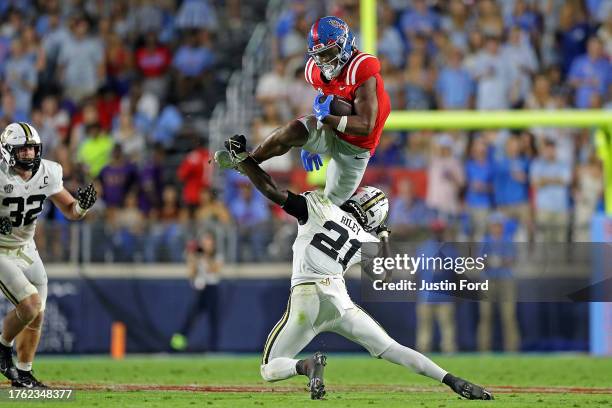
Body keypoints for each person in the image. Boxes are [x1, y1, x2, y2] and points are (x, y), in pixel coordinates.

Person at [218, 134, 493, 401]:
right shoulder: (367, 239)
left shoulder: (319, 205)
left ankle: (306, 366)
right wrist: (384, 235)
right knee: (392, 348)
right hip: (340, 301)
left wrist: (246, 160)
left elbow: (271, 190)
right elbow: (384, 275)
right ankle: (452, 380)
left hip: (307, 295)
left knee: (269, 368)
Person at [214, 16, 391, 206]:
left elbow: (366, 126)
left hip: (356, 146)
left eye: (329, 52)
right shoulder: (313, 71)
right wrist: (309, 140)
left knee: (330, 207)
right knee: (292, 131)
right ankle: (248, 160)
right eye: (320, 55)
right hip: (331, 128)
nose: (325, 61)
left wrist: (326, 119)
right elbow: (326, 106)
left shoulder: (361, 68)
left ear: (345, 44)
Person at [0, 122, 97, 388]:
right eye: (23, 149)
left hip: (27, 247)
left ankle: (24, 374)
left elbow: (70, 211)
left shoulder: (48, 172)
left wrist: (82, 206)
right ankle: (2, 346)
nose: (30, 155)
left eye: (33, 149)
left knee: (38, 313)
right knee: (29, 305)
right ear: (8, 151)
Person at [170, 232, 222, 352]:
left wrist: (205, 257)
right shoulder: (197, 256)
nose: (206, 245)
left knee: (213, 319)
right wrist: (193, 259)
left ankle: (213, 347)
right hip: (201, 289)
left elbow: (214, 269)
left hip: (212, 288)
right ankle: (178, 344)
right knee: (191, 316)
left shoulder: (217, 256)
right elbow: (191, 274)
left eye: (208, 242)